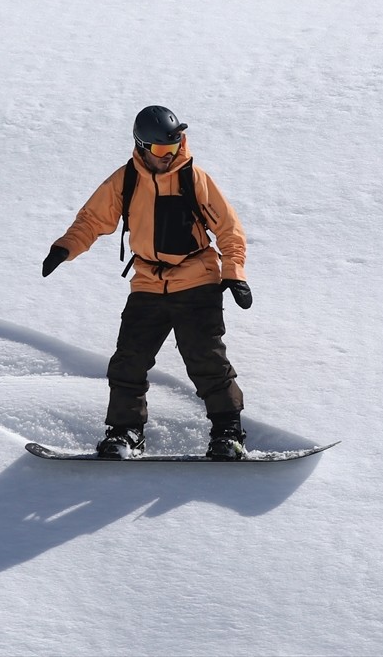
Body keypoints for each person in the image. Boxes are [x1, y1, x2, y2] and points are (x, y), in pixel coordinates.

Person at [41, 105, 254, 460]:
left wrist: (234, 274)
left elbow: (229, 231)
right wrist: (65, 247)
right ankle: (125, 433)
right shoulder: (125, 180)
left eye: (174, 148)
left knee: (206, 360)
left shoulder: (193, 178)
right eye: (160, 150)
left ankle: (228, 433)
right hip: (148, 284)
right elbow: (92, 220)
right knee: (129, 361)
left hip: (197, 280)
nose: (169, 156)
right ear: (141, 147)